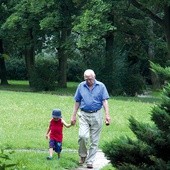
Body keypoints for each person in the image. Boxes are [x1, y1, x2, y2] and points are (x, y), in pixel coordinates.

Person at [71, 69, 111, 169]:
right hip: (84, 114)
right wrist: (73, 115)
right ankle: (83, 155)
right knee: (82, 136)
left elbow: (105, 101)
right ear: (84, 78)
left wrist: (107, 115)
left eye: (91, 79)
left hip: (97, 114)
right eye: (87, 79)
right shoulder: (81, 86)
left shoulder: (101, 86)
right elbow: (77, 101)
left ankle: (90, 161)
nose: (89, 81)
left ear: (94, 77)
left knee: (94, 140)